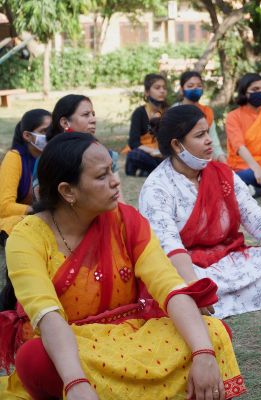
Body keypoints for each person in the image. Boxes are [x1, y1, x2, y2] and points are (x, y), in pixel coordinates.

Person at [0, 132, 246, 399]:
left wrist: (203, 353)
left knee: (212, 332)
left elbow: (169, 286)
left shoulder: (126, 220)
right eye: (102, 176)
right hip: (73, 346)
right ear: (68, 191)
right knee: (35, 359)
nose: (116, 182)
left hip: (132, 334)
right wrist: (75, 383)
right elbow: (48, 316)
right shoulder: (26, 238)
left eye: (113, 171)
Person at [139, 105, 261, 319]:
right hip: (188, 266)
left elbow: (258, 221)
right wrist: (195, 287)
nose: (209, 140)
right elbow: (169, 245)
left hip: (227, 258)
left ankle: (214, 301)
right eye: (200, 135)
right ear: (177, 144)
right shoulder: (157, 187)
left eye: (207, 132)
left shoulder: (223, 174)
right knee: (173, 281)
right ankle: (201, 299)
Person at [0, 109, 50, 239]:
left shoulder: (55, 156)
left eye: (52, 131)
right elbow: (4, 207)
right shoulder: (14, 158)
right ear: (27, 135)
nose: (50, 135)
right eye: (44, 131)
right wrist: (37, 210)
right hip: (18, 218)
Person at [173, 70, 227, 163]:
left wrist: (223, 161)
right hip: (180, 159)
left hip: (205, 158)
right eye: (190, 86)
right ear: (182, 90)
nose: (195, 88)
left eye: (199, 86)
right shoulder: (174, 111)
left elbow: (214, 142)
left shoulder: (207, 112)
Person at [125, 73, 168, 176]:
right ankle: (154, 170)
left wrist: (162, 152)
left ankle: (147, 171)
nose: (162, 91)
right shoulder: (139, 113)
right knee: (134, 155)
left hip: (164, 154)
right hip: (147, 153)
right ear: (147, 92)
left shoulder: (169, 112)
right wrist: (153, 151)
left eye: (164, 88)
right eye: (157, 88)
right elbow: (133, 143)